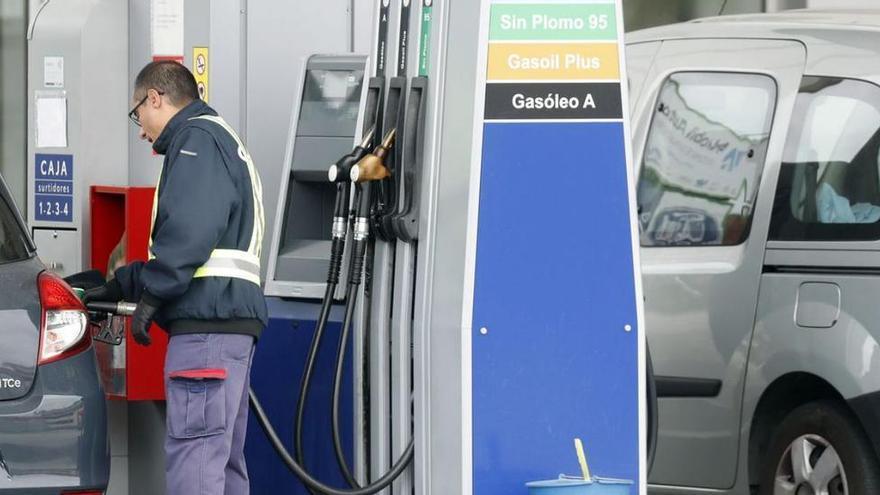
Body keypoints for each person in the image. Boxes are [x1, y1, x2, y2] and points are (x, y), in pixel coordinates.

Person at [85, 60, 267, 495]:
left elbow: (191, 231)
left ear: (155, 98)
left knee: (196, 467)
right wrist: (123, 284)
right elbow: (201, 242)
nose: (142, 130)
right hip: (227, 330)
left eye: (138, 116)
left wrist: (154, 294)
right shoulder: (218, 138)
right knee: (222, 468)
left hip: (206, 333)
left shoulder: (196, 140)